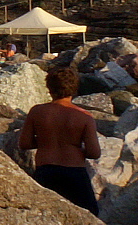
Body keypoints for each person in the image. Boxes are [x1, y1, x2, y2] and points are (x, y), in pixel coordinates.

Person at [19, 67, 102, 213]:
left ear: (49, 88)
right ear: (75, 89)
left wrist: (47, 141)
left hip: (45, 169)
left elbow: (24, 143)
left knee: (44, 215)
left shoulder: (37, 111)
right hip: (74, 171)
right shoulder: (84, 117)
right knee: (88, 215)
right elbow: (94, 152)